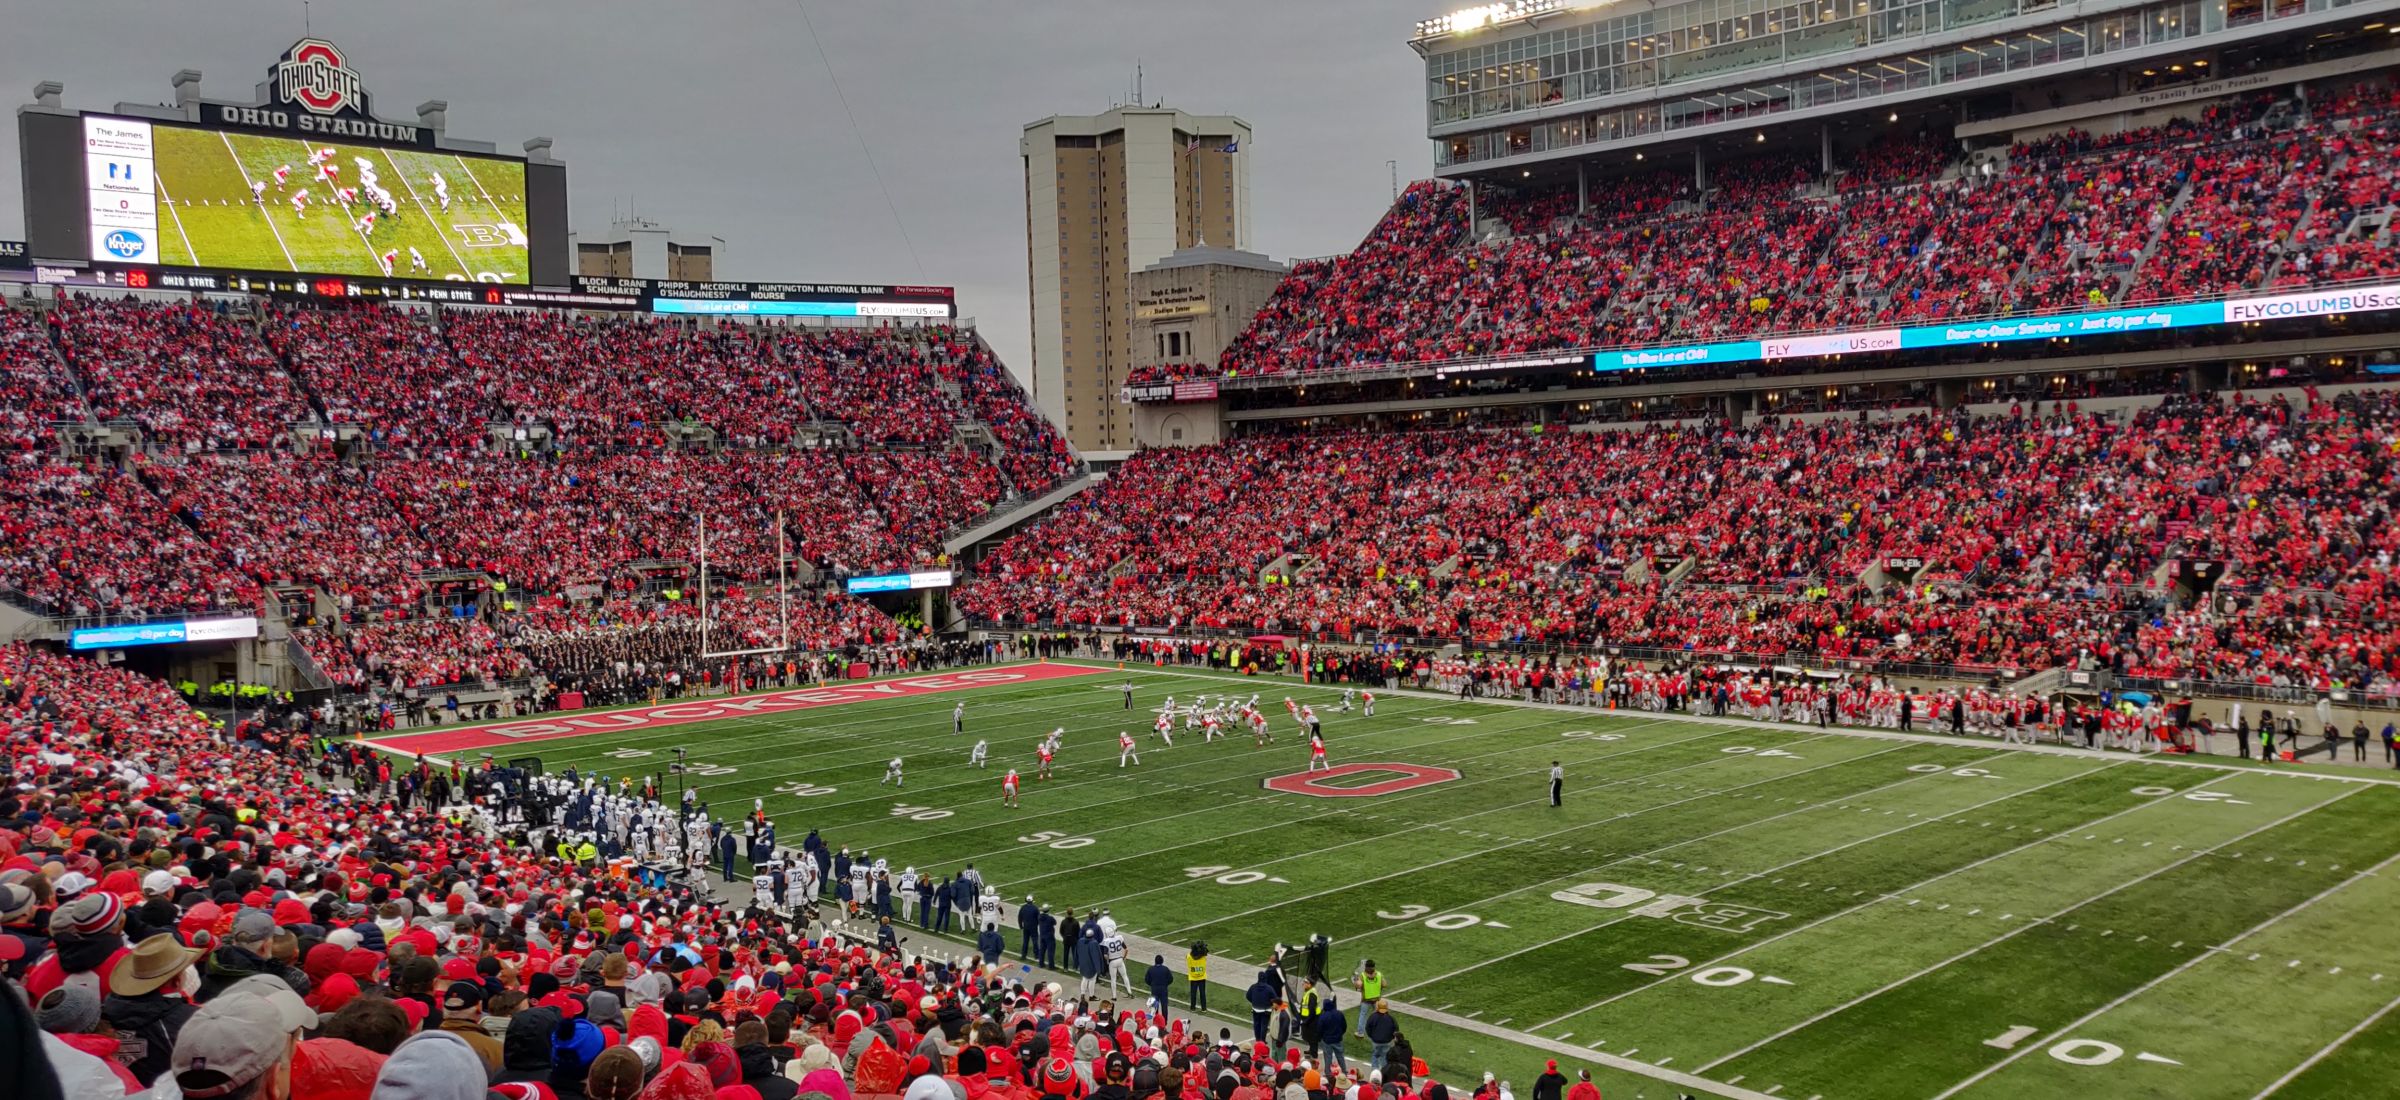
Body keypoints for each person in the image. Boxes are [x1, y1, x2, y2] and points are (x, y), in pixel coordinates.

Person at [1363, 1000, 1398, 1073]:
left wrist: (1371, 1036)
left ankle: (1374, 1072)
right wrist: (1391, 1038)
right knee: (1384, 1056)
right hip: (1387, 1041)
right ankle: (1384, 1072)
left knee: (1375, 1055)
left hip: (1375, 1041)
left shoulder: (1373, 1017)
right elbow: (1396, 1029)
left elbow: (1367, 1028)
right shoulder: (1391, 1018)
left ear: (1377, 1007)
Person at [1145, 954, 1174, 1022]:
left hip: (1154, 989)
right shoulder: (1165, 969)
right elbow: (1171, 979)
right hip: (1163, 989)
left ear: (1155, 961)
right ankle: (1164, 1021)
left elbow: (1147, 979)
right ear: (1162, 961)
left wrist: (1152, 984)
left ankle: (1156, 1020)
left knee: (1155, 1007)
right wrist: (1165, 984)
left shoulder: (1151, 969)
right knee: (1164, 1006)